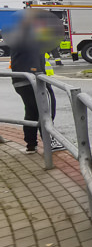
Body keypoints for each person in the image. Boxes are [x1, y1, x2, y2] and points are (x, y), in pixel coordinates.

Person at [7, 9, 63, 153]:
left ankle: (31, 144)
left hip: (22, 80)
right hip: (33, 80)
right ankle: (49, 141)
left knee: (32, 111)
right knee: (46, 111)